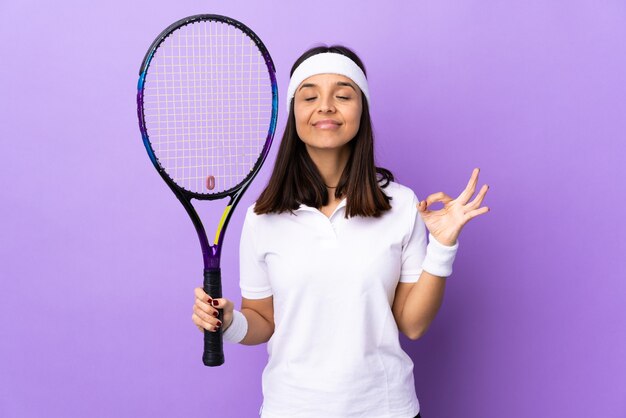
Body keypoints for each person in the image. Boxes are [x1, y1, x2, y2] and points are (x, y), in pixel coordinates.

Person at [192, 45, 490, 418]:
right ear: (294, 114)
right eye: (310, 95)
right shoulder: (262, 216)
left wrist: (443, 246)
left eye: (343, 95)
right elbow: (263, 323)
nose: (326, 106)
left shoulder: (401, 205)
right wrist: (229, 322)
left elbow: (412, 325)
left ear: (361, 110)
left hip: (386, 409)